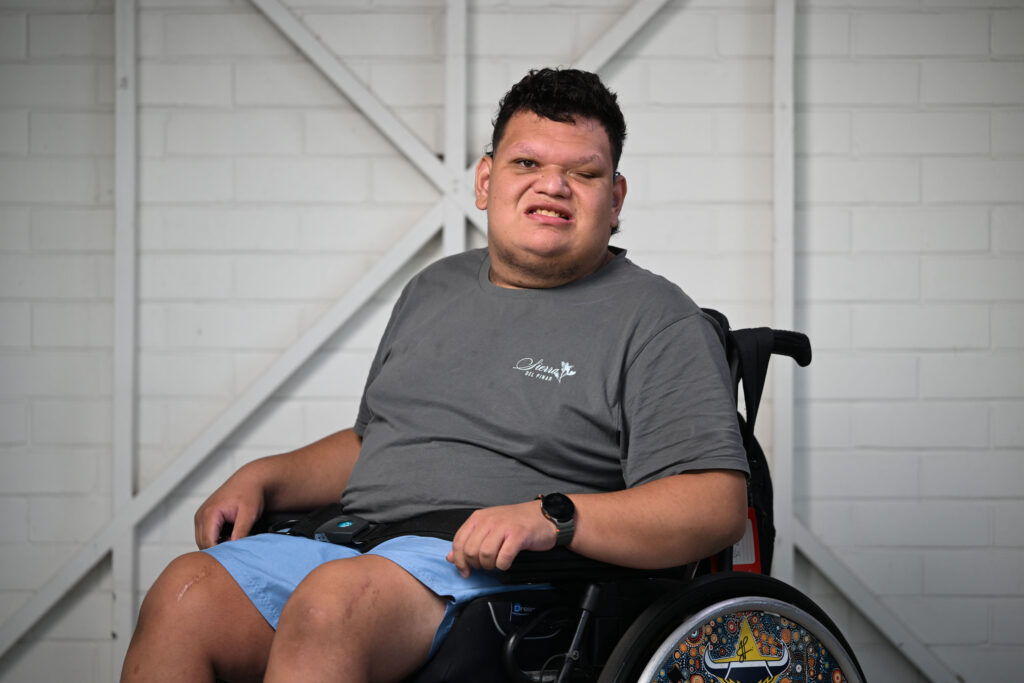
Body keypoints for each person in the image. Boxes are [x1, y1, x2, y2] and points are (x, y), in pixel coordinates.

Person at [120, 67, 749, 683]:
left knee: (333, 603)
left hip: (503, 577)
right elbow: (379, 442)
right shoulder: (433, 289)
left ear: (614, 200)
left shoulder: (657, 318)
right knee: (187, 591)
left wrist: (553, 517)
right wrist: (265, 476)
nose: (553, 186)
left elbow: (714, 506)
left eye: (583, 173)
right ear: (486, 181)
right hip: (353, 548)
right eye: (527, 163)